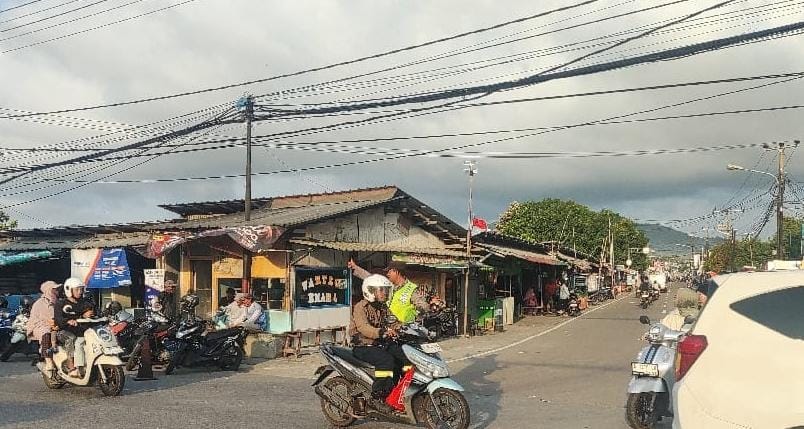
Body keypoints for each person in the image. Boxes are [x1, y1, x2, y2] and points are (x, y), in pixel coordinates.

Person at [348, 274, 407, 406]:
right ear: (370, 291)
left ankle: (398, 390)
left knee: (403, 355)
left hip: (379, 343)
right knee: (386, 360)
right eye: (381, 290)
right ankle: (378, 395)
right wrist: (381, 332)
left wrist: (405, 327)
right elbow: (363, 327)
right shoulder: (360, 307)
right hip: (363, 345)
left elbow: (393, 321)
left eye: (385, 290)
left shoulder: (382, 307)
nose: (384, 293)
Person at [348, 259, 439, 324]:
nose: (387, 274)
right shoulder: (388, 287)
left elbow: (422, 305)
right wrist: (355, 268)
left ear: (397, 272)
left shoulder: (411, 289)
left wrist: (428, 307)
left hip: (405, 331)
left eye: (389, 271)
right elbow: (371, 278)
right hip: (388, 329)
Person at [54, 278, 95, 378]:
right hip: (64, 331)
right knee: (71, 338)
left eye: (81, 289)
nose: (80, 292)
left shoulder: (85, 302)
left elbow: (94, 312)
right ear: (69, 290)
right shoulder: (61, 303)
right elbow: (58, 319)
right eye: (77, 289)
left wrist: (92, 314)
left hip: (81, 330)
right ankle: (71, 366)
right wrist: (68, 321)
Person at [27, 281, 61, 371]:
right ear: (48, 290)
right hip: (39, 326)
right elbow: (40, 319)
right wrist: (51, 324)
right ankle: (48, 361)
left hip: (54, 325)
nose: (57, 291)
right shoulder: (39, 303)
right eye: (54, 289)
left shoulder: (57, 302)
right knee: (46, 333)